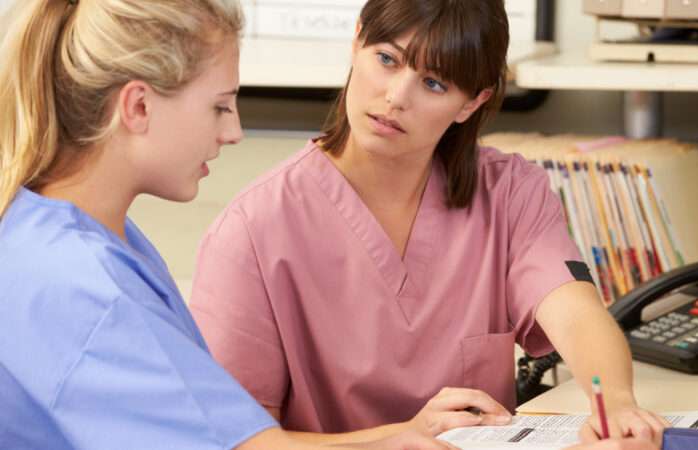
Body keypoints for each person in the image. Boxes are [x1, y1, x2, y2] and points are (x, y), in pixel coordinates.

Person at [189, 0, 669, 448]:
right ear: (356, 42)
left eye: (434, 83)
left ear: (471, 104)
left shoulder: (509, 193)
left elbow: (577, 314)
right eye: (387, 60)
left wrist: (616, 402)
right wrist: (398, 438)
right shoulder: (253, 228)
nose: (397, 97)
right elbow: (236, 440)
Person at [0, 1, 453, 449]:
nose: (233, 131)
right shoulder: (90, 289)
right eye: (219, 107)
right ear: (138, 106)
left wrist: (403, 435)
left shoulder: (50, 232)